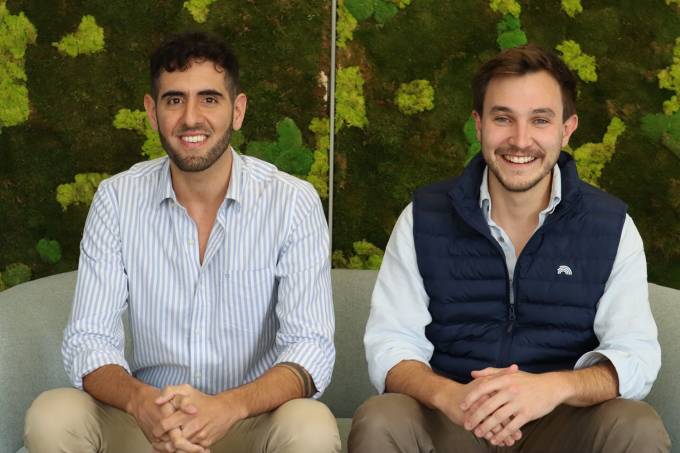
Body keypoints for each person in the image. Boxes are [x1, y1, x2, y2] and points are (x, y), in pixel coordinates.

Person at [24, 32, 340, 453]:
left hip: (246, 420)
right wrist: (141, 403)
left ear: (238, 111)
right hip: (150, 420)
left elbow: (310, 347)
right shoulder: (117, 199)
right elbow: (88, 339)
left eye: (209, 99)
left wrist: (228, 406)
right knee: (53, 415)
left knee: (310, 426)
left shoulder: (292, 202)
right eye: (174, 100)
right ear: (152, 112)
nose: (191, 118)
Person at [348, 44, 671, 452]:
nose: (520, 140)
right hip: (453, 418)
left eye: (540, 120)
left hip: (562, 422)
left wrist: (552, 388)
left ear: (567, 129)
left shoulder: (612, 226)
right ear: (478, 124)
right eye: (503, 118)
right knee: (381, 419)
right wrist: (449, 396)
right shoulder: (422, 217)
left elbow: (635, 356)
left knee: (637, 426)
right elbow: (390, 344)